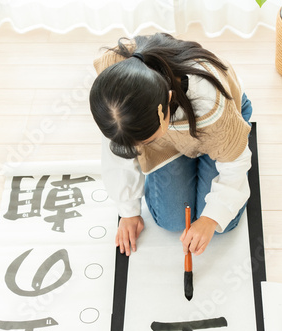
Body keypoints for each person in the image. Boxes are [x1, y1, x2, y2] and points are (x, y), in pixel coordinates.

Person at [89, 33, 252, 257]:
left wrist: (210, 219)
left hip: (216, 127)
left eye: (144, 142)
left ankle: (201, 164)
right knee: (171, 220)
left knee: (223, 224)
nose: (137, 151)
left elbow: (235, 167)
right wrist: (128, 211)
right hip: (171, 134)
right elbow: (118, 149)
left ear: (163, 106)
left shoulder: (210, 106)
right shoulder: (114, 87)